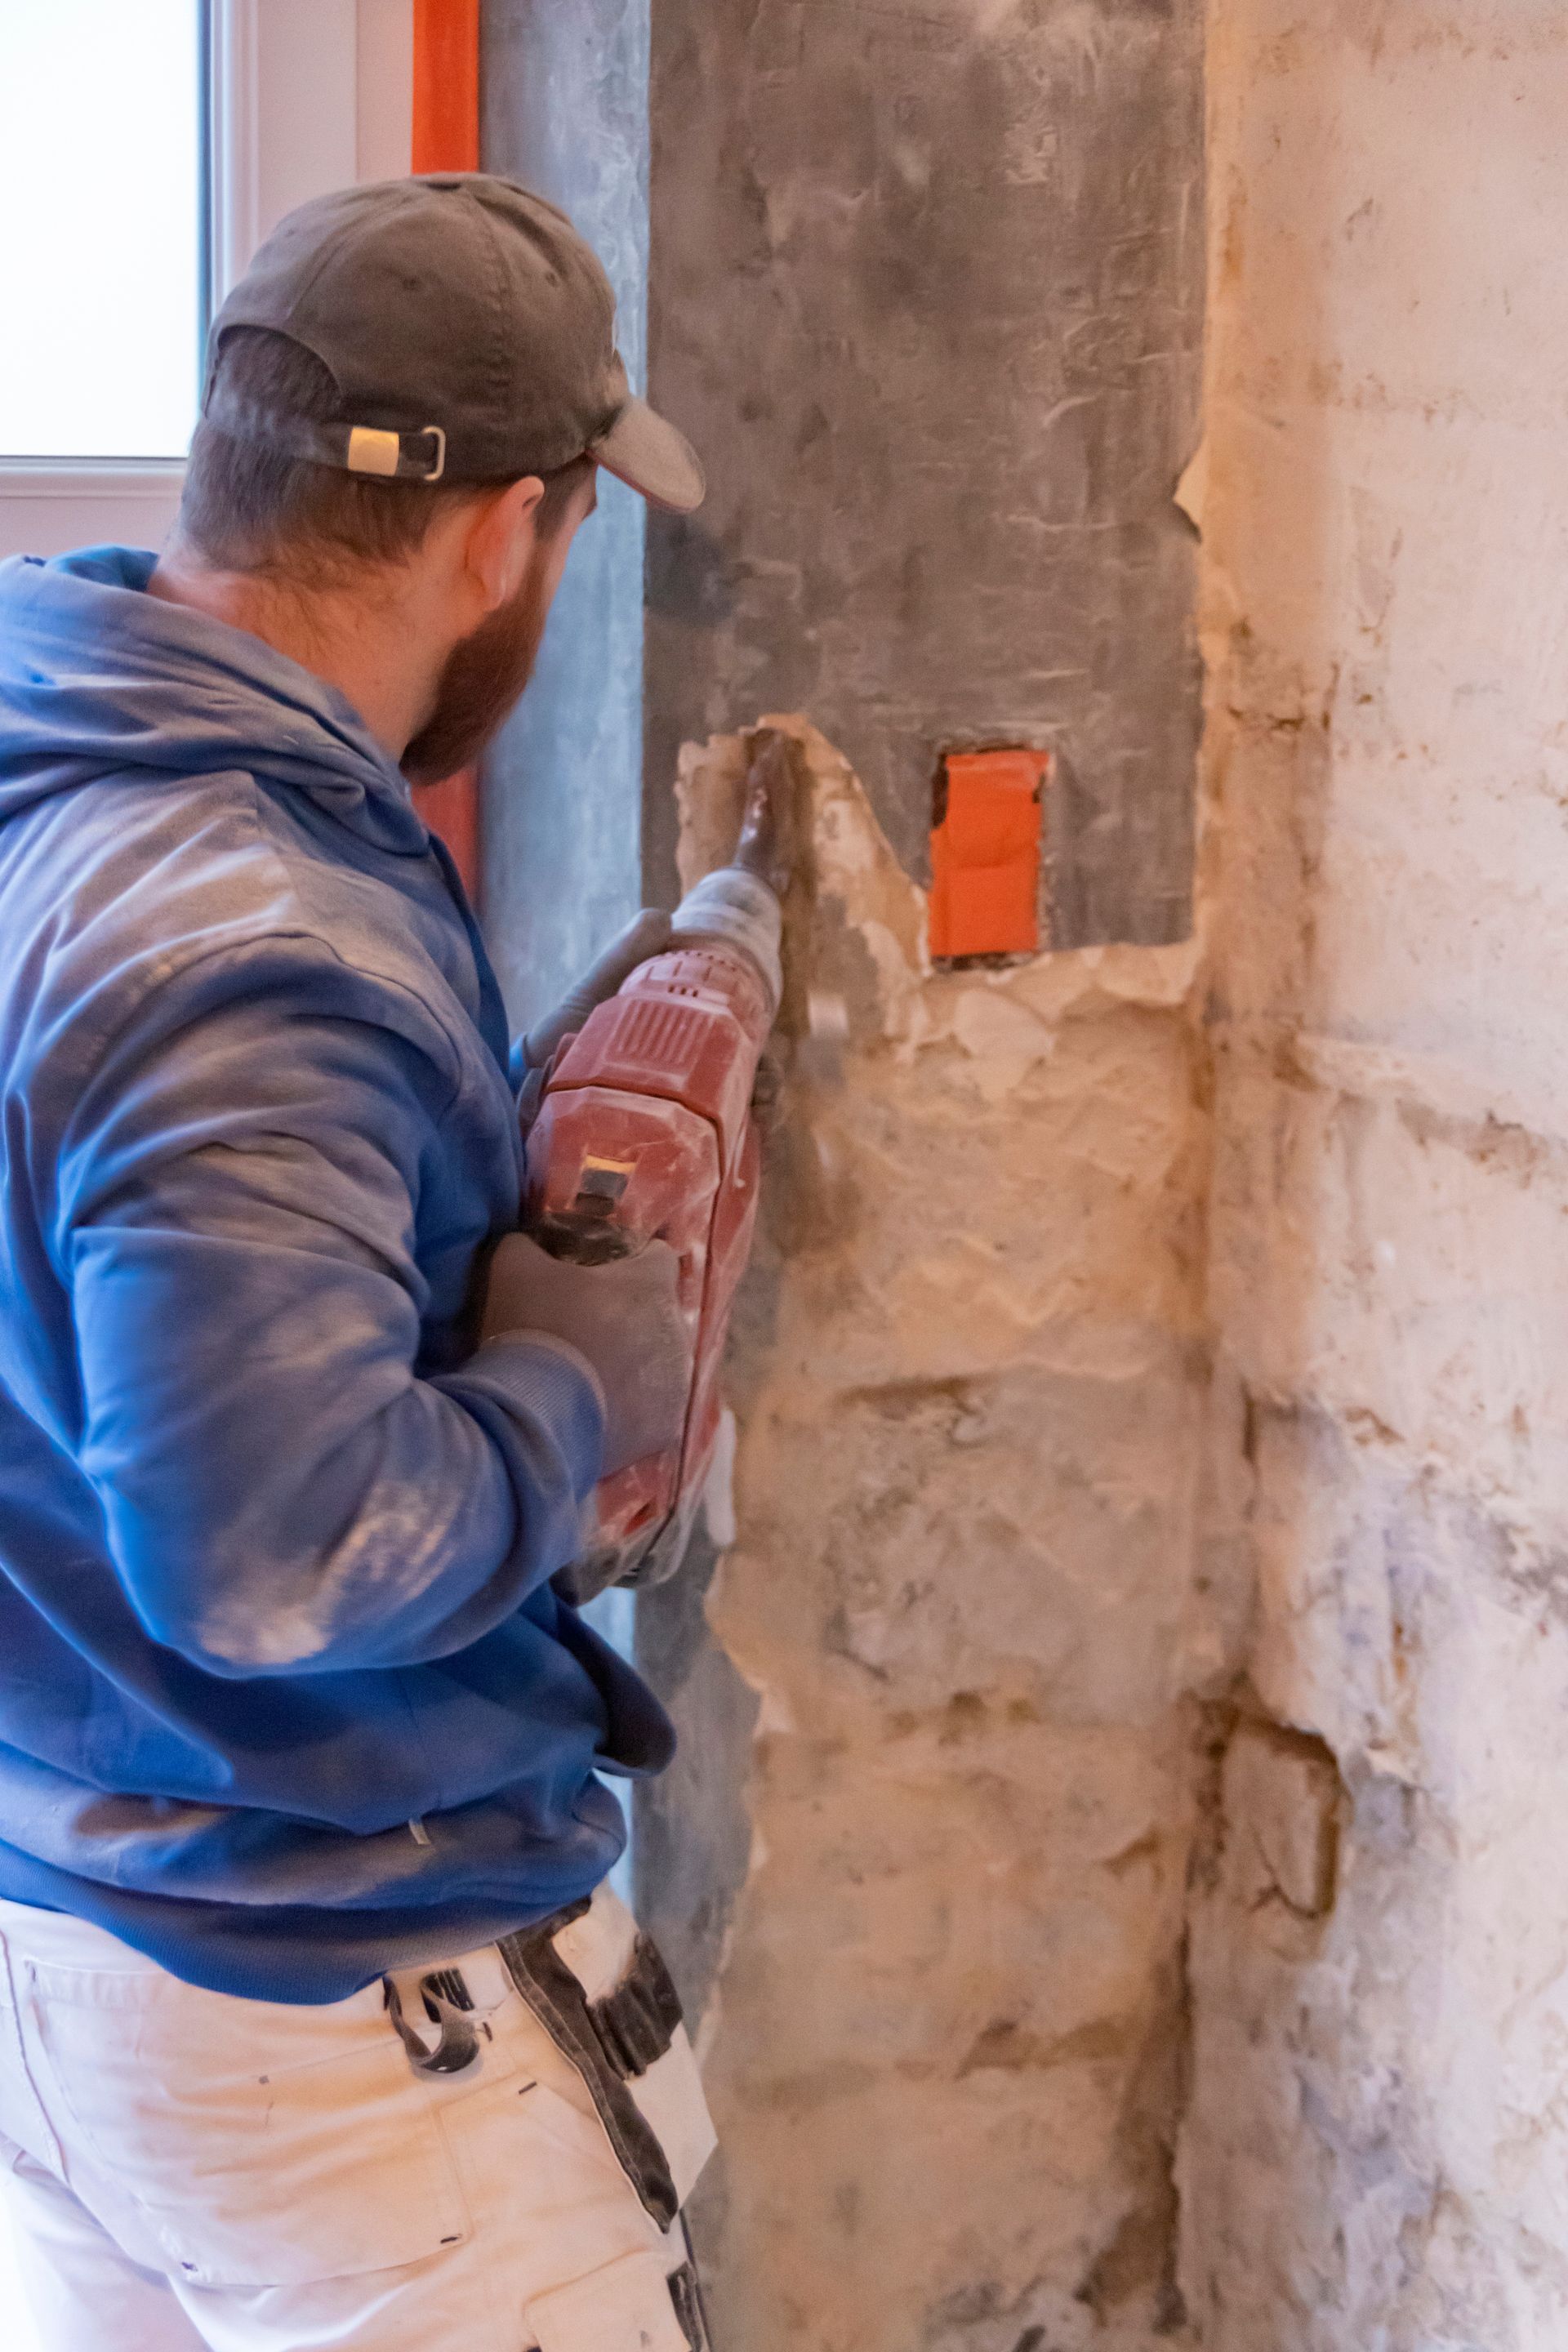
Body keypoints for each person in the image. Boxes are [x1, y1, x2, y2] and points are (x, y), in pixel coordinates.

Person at [0, 174, 724, 2351]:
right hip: (336, 2038)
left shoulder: (63, 781)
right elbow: (274, 1554)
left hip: (87, 1947)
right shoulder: (255, 953)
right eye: (576, 526)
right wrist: (561, 1385)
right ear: (502, 537)